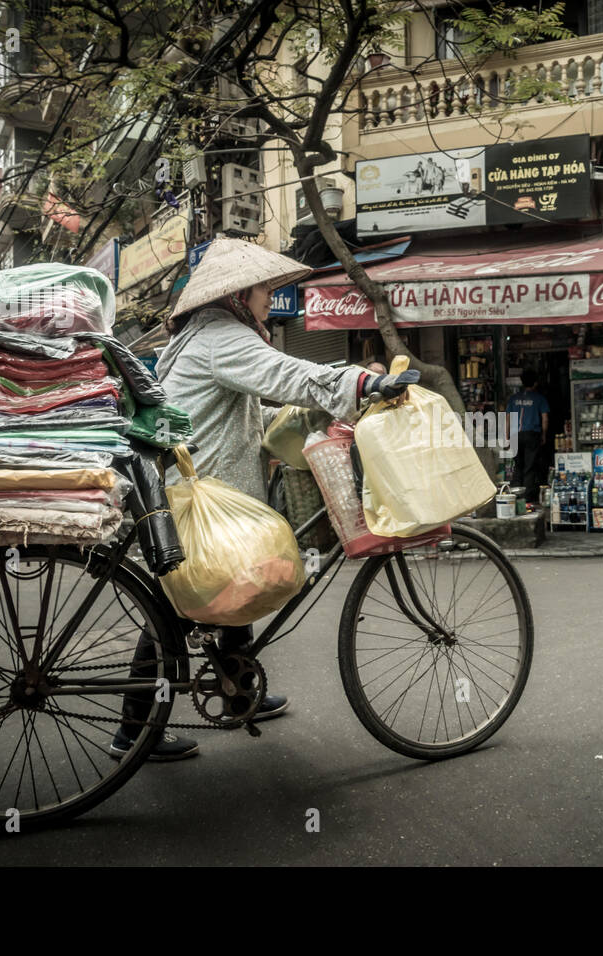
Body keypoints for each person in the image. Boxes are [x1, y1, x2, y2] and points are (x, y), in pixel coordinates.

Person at [113, 238, 417, 761]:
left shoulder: (202, 334)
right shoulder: (223, 337)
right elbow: (289, 374)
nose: (268, 299)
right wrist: (362, 381)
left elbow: (260, 393)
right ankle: (135, 731)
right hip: (198, 496)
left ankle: (238, 696)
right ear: (240, 292)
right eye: (263, 290)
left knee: (238, 575)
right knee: (172, 609)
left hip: (192, 488)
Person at [506, 369, 549, 494]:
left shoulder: (513, 398)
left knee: (518, 466)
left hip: (515, 435)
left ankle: (514, 494)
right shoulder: (539, 398)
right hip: (532, 434)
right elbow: (545, 418)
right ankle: (526, 497)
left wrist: (507, 437)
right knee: (529, 467)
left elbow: (507, 418)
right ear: (535, 383)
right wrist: (544, 434)